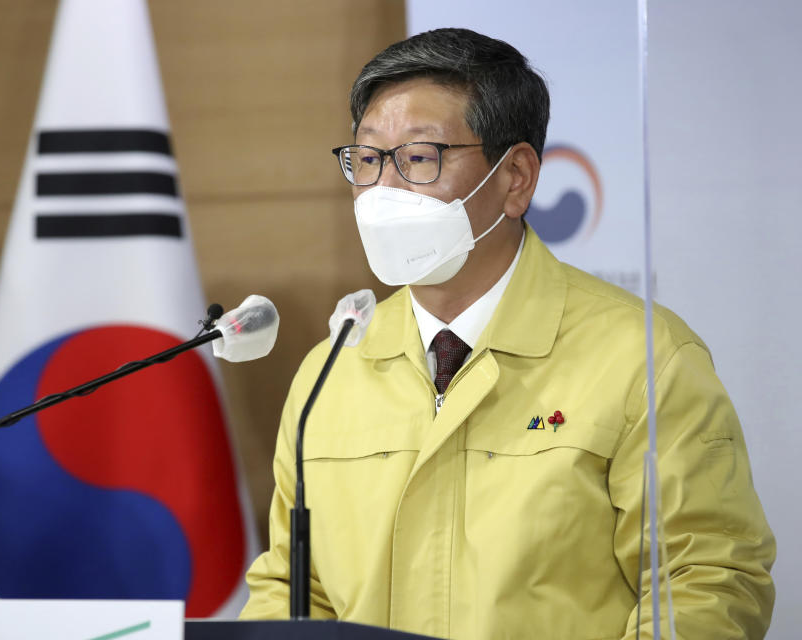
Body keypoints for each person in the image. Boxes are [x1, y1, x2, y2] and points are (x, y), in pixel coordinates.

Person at [239, 28, 775, 639]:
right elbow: (291, 587)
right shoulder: (332, 369)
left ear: (515, 176)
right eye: (366, 160)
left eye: (417, 158)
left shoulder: (643, 358)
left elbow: (705, 581)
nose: (382, 192)